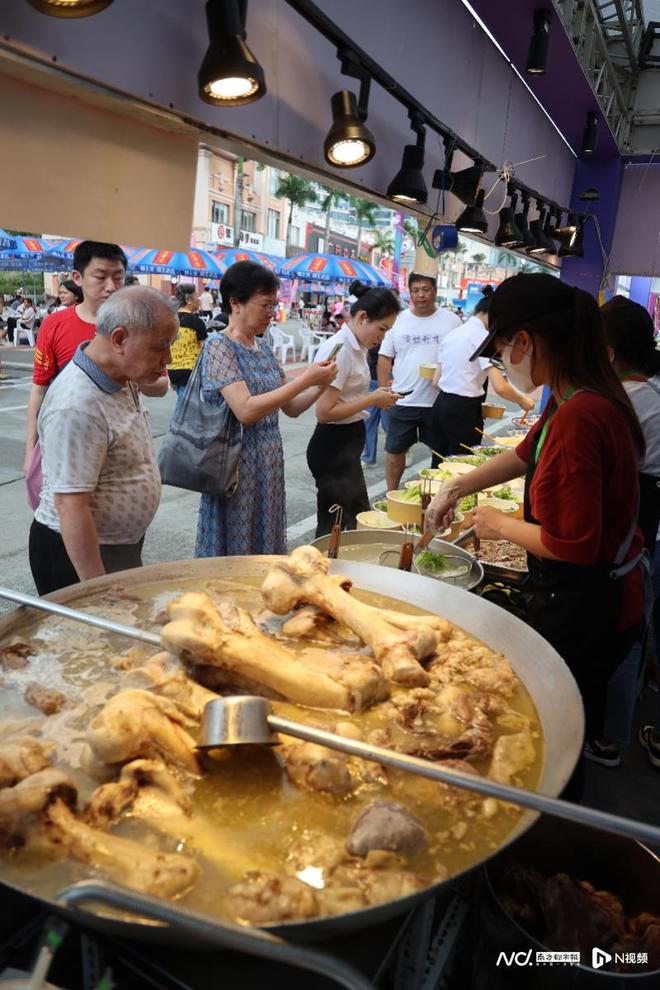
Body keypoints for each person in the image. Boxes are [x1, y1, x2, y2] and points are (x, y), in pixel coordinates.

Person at [426, 274, 645, 789]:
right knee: (567, 718)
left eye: (502, 350)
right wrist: (456, 488)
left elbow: (574, 546)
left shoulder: (581, 416)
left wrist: (495, 522)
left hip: (590, 602)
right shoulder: (572, 395)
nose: (502, 363)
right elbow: (525, 454)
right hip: (602, 593)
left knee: (556, 736)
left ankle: (551, 826)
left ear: (524, 341)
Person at [29, 287, 179, 595]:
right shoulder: (77, 404)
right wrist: (98, 589)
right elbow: (71, 506)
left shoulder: (121, 375)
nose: (169, 358)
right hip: (78, 554)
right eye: (161, 346)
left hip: (117, 544)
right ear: (120, 339)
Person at [195, 261, 337, 557]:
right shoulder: (218, 346)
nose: (272, 313)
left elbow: (293, 408)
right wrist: (307, 378)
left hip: (268, 465)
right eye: (265, 305)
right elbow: (245, 410)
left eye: (274, 305)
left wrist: (322, 383)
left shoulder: (264, 348)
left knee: (263, 543)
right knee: (233, 548)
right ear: (235, 303)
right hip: (234, 466)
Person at [596, 296, 660, 765]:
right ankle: (614, 730)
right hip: (644, 525)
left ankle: (604, 739)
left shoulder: (626, 403)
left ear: (610, 352)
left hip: (631, 527)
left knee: (618, 628)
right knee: (631, 628)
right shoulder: (651, 391)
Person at [23, 241, 129, 474]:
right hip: (65, 444)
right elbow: (39, 388)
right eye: (100, 276)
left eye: (119, 277)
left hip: (120, 446)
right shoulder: (54, 324)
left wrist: (131, 369)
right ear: (77, 278)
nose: (111, 286)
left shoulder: (136, 326)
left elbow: (160, 386)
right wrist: (31, 448)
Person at [307, 283, 401, 536]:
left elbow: (350, 395)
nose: (381, 338)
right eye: (381, 329)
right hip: (332, 446)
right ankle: (323, 570)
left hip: (347, 442)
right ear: (362, 318)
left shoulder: (358, 347)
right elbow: (324, 412)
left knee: (356, 518)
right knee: (334, 525)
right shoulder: (340, 350)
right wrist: (372, 399)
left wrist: (376, 396)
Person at [378, 271, 461, 491]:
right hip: (403, 399)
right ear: (409, 292)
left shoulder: (452, 321)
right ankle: (391, 494)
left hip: (437, 400)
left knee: (440, 452)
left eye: (426, 290)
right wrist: (383, 388)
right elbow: (385, 357)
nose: (421, 295)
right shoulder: (399, 320)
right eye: (415, 290)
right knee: (395, 452)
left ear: (435, 291)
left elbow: (460, 356)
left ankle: (435, 496)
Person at [430, 286, 535, 455]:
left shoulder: (453, 334)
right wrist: (522, 400)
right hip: (463, 412)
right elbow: (500, 387)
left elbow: (436, 381)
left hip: (440, 406)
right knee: (463, 467)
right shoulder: (483, 338)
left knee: (439, 463)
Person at [167, 283, 208, 416]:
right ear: (189, 300)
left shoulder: (170, 320)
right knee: (186, 408)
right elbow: (204, 350)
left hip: (172, 369)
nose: (199, 299)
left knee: (184, 404)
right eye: (197, 296)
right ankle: (177, 431)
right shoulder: (196, 322)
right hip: (191, 371)